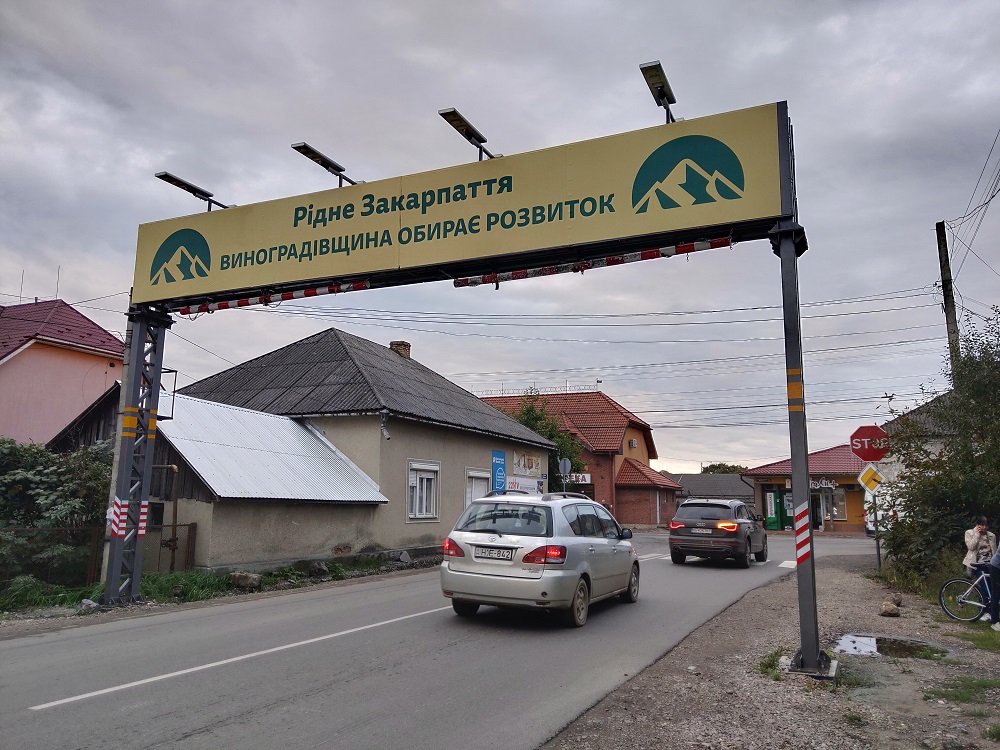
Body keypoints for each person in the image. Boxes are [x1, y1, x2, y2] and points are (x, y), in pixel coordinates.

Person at [964, 517, 997, 621]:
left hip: (990, 564)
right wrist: (977, 535)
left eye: (986, 525)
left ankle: (989, 612)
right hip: (977, 564)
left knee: (992, 588)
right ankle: (983, 612)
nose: (984, 527)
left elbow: (994, 551)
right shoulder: (969, 533)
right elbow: (971, 547)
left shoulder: (991, 535)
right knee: (985, 588)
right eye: (982, 525)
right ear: (978, 524)